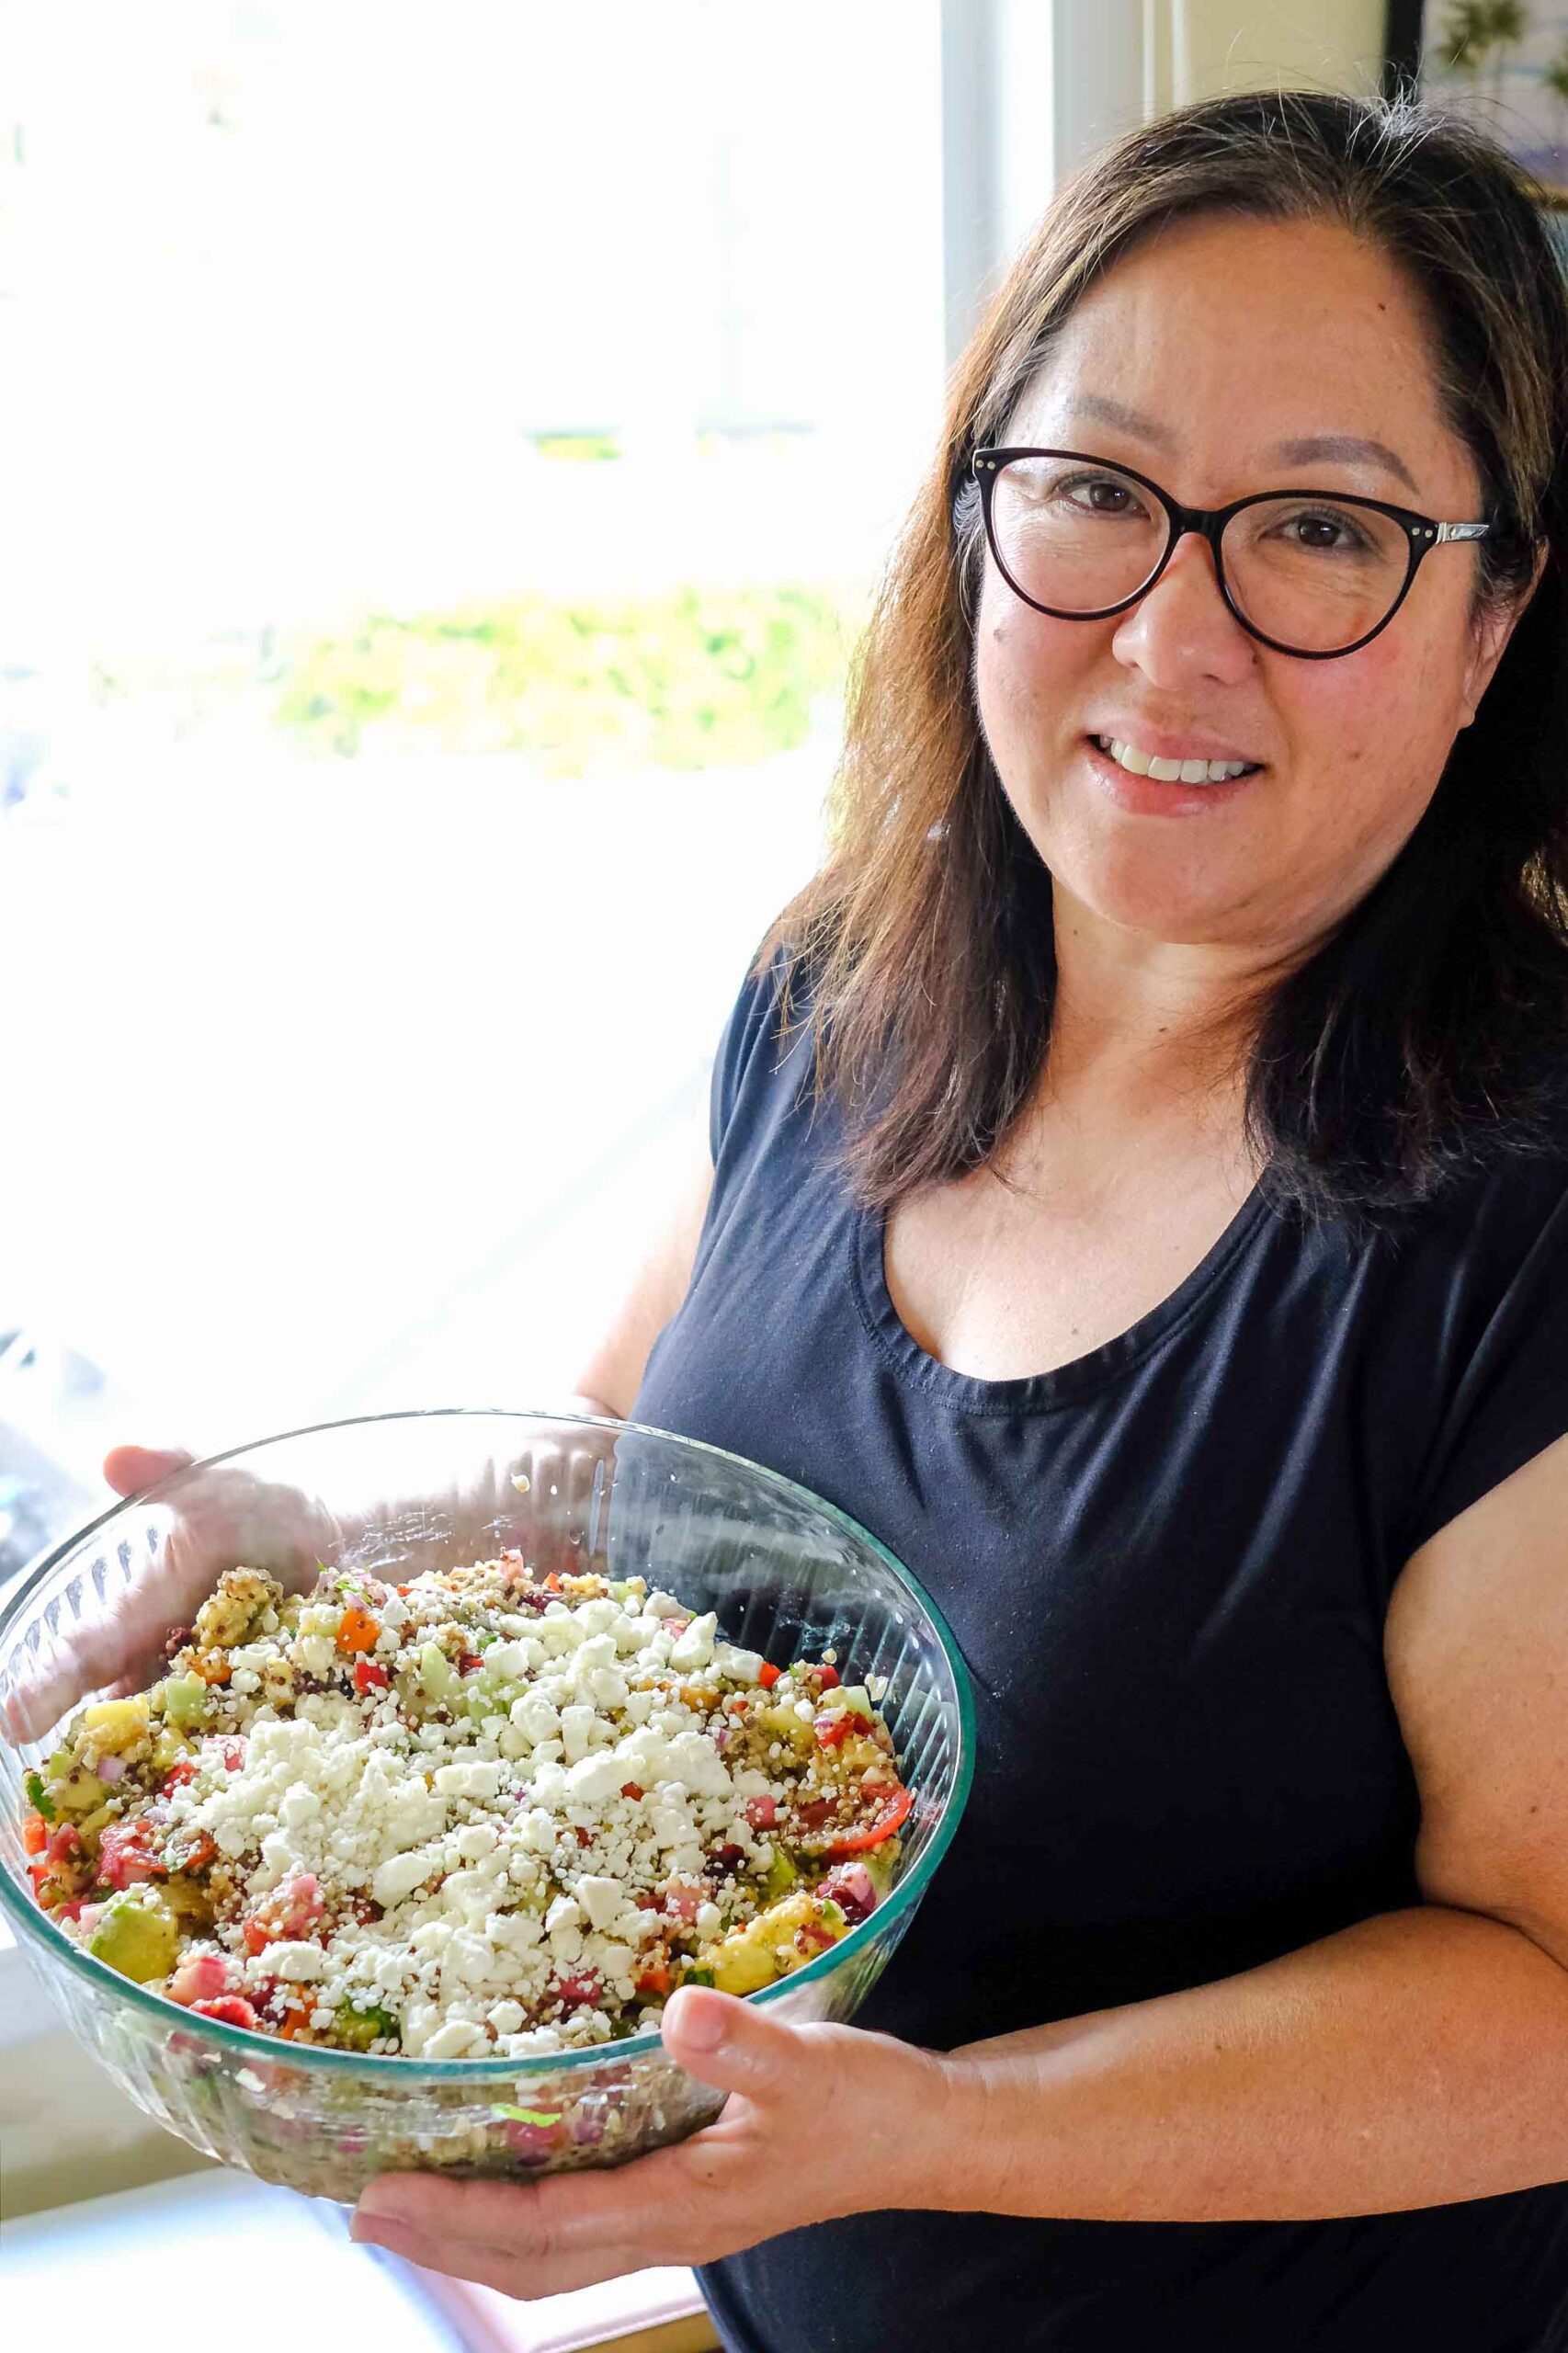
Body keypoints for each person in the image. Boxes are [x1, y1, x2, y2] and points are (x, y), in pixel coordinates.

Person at [107, 89, 1568, 2350]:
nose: (1174, 635)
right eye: (1091, 490)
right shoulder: (844, 984)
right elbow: (624, 1462)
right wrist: (308, 1543)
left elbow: (1546, 2004)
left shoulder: (1525, 1215)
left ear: (1490, 619)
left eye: (1319, 530)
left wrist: (929, 2127)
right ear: (976, 523)